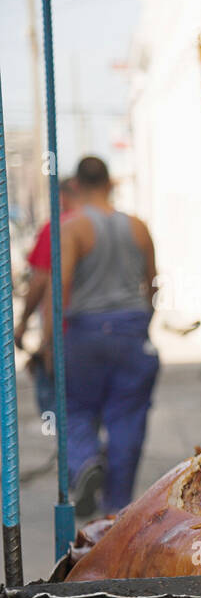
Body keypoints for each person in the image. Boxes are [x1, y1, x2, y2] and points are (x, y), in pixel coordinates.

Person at [47, 156, 160, 518]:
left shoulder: (73, 229)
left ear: (76, 186)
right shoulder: (139, 227)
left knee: (75, 408)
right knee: (127, 417)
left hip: (86, 332)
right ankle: (117, 509)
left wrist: (50, 342)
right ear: (110, 183)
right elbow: (152, 282)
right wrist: (144, 323)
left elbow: (59, 286)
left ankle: (85, 464)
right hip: (131, 331)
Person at [18, 178, 79, 421]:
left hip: (64, 333)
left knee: (61, 409)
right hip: (110, 334)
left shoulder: (55, 228)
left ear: (61, 197)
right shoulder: (111, 225)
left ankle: (80, 455)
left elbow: (40, 280)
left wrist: (23, 323)